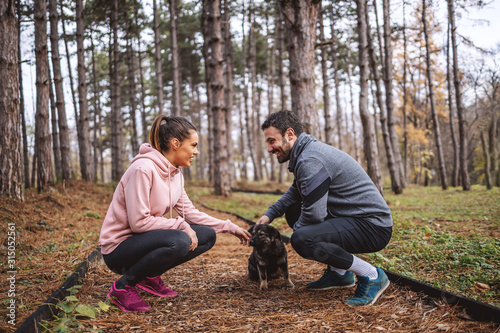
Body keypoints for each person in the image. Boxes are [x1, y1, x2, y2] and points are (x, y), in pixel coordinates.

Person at [99, 115, 251, 313]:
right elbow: (139, 222)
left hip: (143, 241)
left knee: (207, 235)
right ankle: (123, 287)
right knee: (180, 240)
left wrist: (230, 227)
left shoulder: (175, 174)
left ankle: (148, 276)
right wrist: (181, 225)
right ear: (175, 144)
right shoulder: (142, 169)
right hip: (118, 249)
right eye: (193, 145)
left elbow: (190, 213)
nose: (196, 152)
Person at [257, 110, 393, 306]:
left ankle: (372, 275)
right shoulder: (307, 153)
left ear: (289, 134)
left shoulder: (310, 159)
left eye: (272, 141)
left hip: (372, 226)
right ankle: (339, 274)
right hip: (352, 218)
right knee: (294, 211)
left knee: (303, 239)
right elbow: (296, 192)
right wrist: (269, 215)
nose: (269, 149)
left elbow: (315, 214)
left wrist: (302, 238)